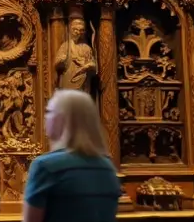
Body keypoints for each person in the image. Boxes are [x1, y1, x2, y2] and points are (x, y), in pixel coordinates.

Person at [22, 89, 122, 222]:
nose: (45, 117)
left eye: (49, 112)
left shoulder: (46, 167)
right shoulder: (108, 168)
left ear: (63, 119)